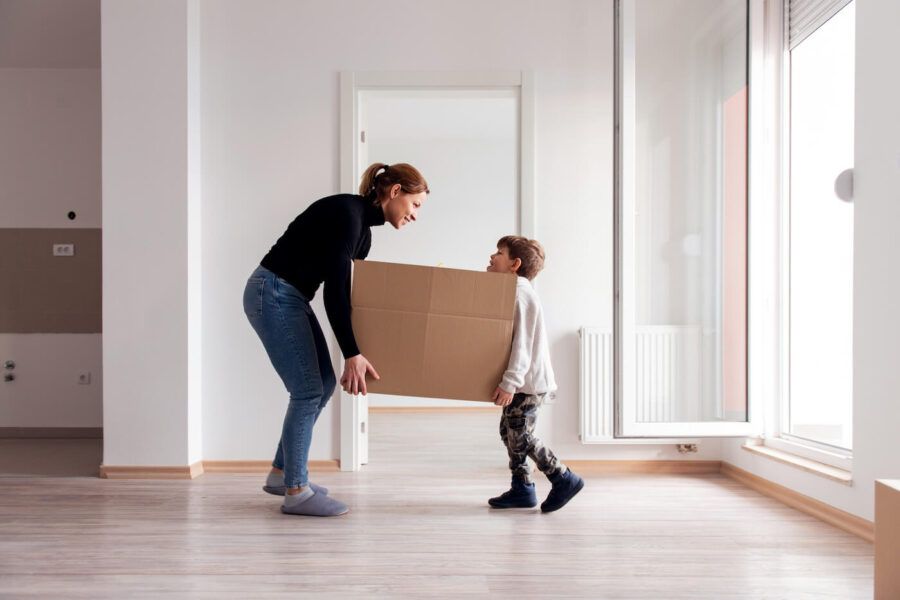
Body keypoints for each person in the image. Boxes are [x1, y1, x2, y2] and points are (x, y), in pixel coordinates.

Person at [243, 163, 429, 516]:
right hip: (273, 292)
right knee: (308, 389)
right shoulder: (348, 215)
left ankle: (282, 474)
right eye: (415, 204)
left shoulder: (363, 233)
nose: (415, 215)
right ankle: (296, 491)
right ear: (394, 193)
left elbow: (351, 295)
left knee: (323, 384)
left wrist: (360, 350)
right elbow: (334, 293)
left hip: (289, 296)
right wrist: (351, 353)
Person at [486, 236, 584, 513]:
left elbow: (523, 345)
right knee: (509, 433)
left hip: (528, 383)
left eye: (499, 253)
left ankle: (563, 477)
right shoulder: (513, 291)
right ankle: (522, 487)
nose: (492, 257)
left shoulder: (520, 294)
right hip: (523, 382)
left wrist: (510, 383)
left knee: (521, 436)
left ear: (514, 264)